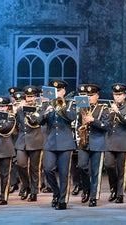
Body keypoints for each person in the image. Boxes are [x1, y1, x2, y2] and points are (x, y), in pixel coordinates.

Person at [37, 80, 77, 210]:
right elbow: (39, 121)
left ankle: (62, 200)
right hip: (50, 143)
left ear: (64, 91)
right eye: (55, 91)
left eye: (59, 90)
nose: (57, 93)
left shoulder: (70, 103)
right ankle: (56, 192)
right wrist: (45, 112)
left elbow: (72, 117)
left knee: (64, 173)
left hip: (65, 143)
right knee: (48, 169)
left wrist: (61, 106)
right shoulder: (46, 104)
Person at [76, 84, 111, 207]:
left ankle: (94, 197)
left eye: (91, 95)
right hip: (83, 142)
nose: (89, 98)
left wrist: (93, 121)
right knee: (81, 166)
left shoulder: (103, 108)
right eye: (87, 95)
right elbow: (76, 124)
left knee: (96, 172)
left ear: (97, 96)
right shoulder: (81, 108)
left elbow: (107, 126)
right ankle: (86, 188)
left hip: (98, 142)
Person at [105, 83, 126, 204]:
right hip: (110, 141)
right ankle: (114, 189)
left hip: (123, 142)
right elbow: (106, 123)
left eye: (120, 95)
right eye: (115, 95)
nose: (117, 97)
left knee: (121, 169)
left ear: (125, 95)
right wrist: (111, 113)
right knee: (109, 166)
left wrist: (117, 112)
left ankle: (120, 194)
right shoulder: (108, 107)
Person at [15, 85, 44, 202]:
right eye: (28, 96)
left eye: (32, 96)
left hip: (35, 140)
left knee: (34, 168)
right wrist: (17, 110)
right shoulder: (21, 109)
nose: (29, 99)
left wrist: (28, 111)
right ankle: (26, 186)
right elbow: (16, 123)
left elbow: (36, 121)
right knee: (20, 164)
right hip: (22, 140)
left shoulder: (40, 108)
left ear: (35, 97)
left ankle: (34, 191)